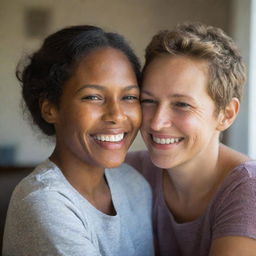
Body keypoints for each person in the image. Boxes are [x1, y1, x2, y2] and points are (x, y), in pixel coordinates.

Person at [3, 25, 154, 256]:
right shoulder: (44, 202)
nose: (116, 115)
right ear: (50, 108)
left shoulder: (135, 184)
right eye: (93, 96)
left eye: (129, 97)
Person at [126, 22, 256, 255]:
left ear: (226, 114)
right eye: (148, 100)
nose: (156, 122)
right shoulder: (128, 173)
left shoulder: (249, 189)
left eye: (182, 104)